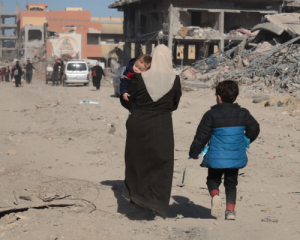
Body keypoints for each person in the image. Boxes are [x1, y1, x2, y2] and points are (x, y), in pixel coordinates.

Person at [120, 44, 182, 220]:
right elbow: (175, 104)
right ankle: (157, 204)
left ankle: (138, 200)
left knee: (137, 161)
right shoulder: (175, 79)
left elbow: (127, 101)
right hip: (162, 124)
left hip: (138, 123)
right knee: (161, 164)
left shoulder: (139, 78)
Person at [189, 80, 260, 220]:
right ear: (235, 96)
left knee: (213, 179)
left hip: (216, 156)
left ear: (219, 97)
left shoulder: (210, 115)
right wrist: (244, 140)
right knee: (231, 183)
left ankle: (215, 195)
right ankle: (230, 212)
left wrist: (194, 152)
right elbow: (255, 129)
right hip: (235, 156)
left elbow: (201, 136)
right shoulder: (243, 113)